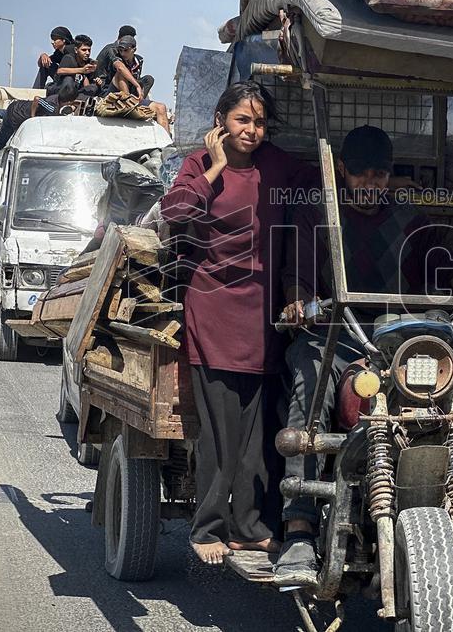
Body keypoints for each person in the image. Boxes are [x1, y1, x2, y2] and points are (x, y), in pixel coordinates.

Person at [273, 124, 453, 586]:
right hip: (339, 334)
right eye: (361, 174)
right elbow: (296, 273)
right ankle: (299, 526)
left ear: (390, 174)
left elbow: (451, 264)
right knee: (308, 373)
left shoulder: (412, 215)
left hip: (404, 340)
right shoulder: (317, 214)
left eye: (380, 175)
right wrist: (297, 301)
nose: (371, 184)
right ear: (342, 171)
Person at [160, 81, 314, 566]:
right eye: (243, 119)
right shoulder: (196, 166)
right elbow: (177, 211)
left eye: (260, 121)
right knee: (220, 433)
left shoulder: (278, 165)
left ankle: (250, 528)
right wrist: (217, 167)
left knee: (258, 436)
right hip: (214, 311)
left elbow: (320, 177)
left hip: (264, 315)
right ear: (221, 119)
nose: (252, 130)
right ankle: (207, 527)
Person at [0, 83, 78, 181]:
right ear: (68, 101)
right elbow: (37, 99)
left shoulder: (55, 98)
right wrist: (32, 117)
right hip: (15, 117)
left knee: (8, 115)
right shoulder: (52, 107)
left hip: (16, 107)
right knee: (0, 142)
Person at [104, 35, 170, 132]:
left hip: (133, 95)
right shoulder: (117, 57)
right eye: (121, 50)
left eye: (126, 50)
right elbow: (120, 68)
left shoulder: (139, 60)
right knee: (121, 73)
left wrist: (139, 91)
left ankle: (167, 142)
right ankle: (127, 100)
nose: (123, 53)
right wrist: (137, 85)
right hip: (115, 95)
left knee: (161, 107)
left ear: (134, 49)